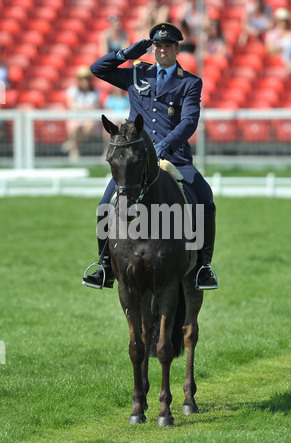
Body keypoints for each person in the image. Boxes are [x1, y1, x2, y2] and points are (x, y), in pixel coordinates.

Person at [82, 22, 217, 291]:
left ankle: (203, 266)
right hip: (135, 158)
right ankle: (105, 266)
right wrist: (127, 53)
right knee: (105, 206)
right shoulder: (136, 74)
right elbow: (97, 69)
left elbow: (189, 121)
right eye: (157, 45)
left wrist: (164, 145)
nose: (162, 50)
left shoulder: (189, 82)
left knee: (205, 201)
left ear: (177, 49)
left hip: (173, 156)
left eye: (167, 46)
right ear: (152, 48)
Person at [62, 65, 99, 161]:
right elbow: (71, 105)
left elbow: (93, 107)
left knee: (89, 126)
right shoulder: (72, 90)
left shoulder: (94, 92)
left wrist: (81, 108)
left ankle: (72, 144)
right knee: (73, 128)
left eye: (87, 79)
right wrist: (85, 108)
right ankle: (74, 150)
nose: (85, 81)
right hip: (75, 117)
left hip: (88, 118)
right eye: (83, 79)